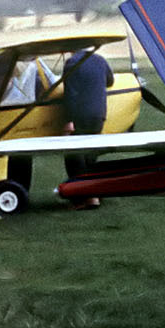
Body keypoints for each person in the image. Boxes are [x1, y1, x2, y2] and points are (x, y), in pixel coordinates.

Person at [63, 49, 113, 209]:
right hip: (99, 114)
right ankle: (94, 193)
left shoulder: (71, 63)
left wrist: (69, 119)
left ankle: (84, 198)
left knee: (74, 155)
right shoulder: (100, 59)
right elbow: (110, 81)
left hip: (80, 114)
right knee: (91, 154)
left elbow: (69, 93)